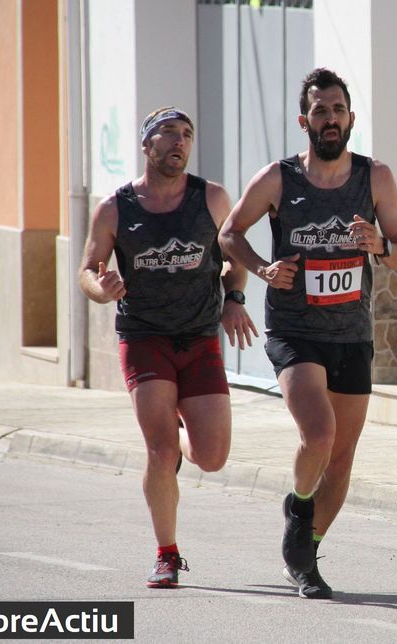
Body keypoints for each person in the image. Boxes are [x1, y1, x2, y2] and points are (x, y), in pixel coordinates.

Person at [219, 68, 397, 599]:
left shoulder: (375, 178)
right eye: (320, 111)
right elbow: (229, 233)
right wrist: (261, 270)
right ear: (304, 121)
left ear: (351, 119)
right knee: (319, 434)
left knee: (342, 459)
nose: (330, 119)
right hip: (294, 329)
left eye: (338, 110)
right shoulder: (279, 179)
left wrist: (378, 245)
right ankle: (300, 508)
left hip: (352, 332)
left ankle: (306, 549)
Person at [78, 107, 258, 588]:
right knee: (159, 452)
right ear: (146, 145)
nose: (179, 141)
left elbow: (234, 256)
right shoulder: (115, 208)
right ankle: (167, 554)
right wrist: (102, 288)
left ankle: (178, 436)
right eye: (168, 133)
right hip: (144, 338)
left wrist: (234, 299)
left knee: (213, 457)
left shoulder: (212, 198)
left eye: (187, 134)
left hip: (199, 338)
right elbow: (87, 270)